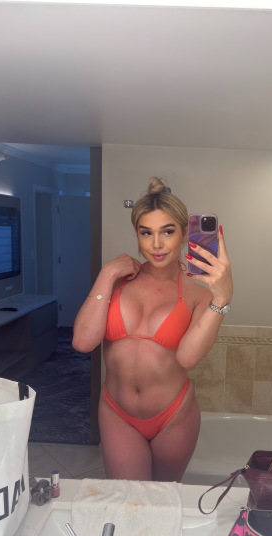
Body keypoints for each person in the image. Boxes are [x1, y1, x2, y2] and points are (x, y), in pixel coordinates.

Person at [72, 177, 233, 482]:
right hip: (117, 413)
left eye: (167, 232)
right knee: (129, 500)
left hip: (173, 416)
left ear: (184, 234)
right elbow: (82, 341)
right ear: (137, 235)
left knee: (163, 500)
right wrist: (107, 273)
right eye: (146, 233)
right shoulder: (116, 282)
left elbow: (187, 358)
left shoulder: (198, 294)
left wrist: (222, 298)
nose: (156, 245)